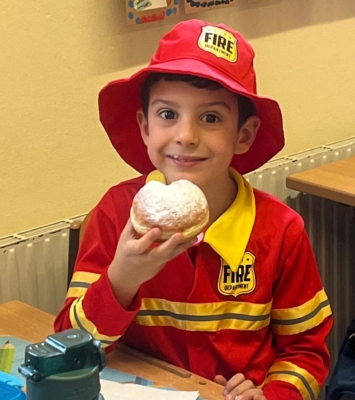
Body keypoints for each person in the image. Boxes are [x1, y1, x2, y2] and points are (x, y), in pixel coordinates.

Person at [54, 19, 333, 400]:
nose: (186, 136)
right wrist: (122, 278)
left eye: (211, 118)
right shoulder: (117, 214)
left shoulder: (281, 230)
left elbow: (306, 352)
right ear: (145, 127)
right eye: (168, 115)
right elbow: (69, 351)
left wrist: (271, 395)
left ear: (244, 134)